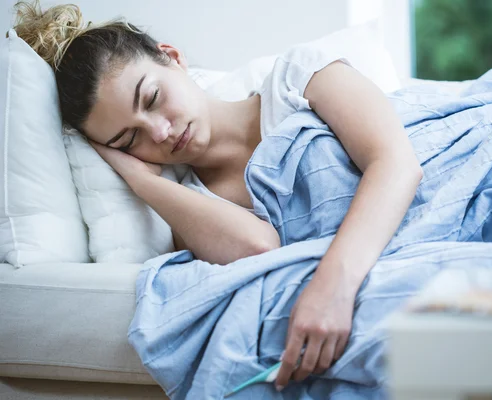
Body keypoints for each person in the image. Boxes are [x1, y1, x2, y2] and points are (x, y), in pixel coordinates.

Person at [13, 0, 422, 391]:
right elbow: (260, 247)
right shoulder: (189, 203)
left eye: (152, 98)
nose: (160, 133)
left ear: (171, 57)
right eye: (129, 138)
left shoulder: (296, 79)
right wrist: (143, 182)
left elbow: (396, 163)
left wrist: (334, 286)